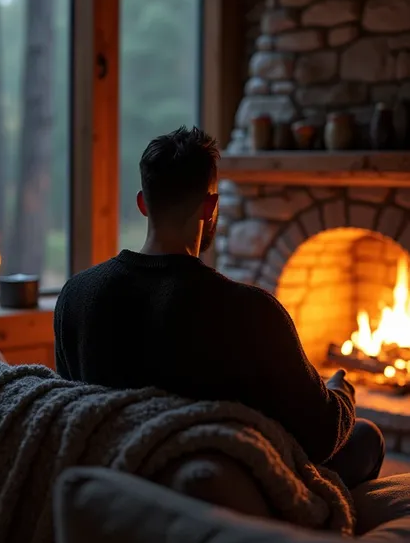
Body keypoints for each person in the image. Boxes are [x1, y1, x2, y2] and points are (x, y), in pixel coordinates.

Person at [54, 126, 384, 489]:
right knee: (366, 436)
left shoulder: (75, 295)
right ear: (210, 207)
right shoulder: (251, 311)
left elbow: (78, 411)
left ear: (143, 203)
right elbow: (320, 438)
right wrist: (341, 393)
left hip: (117, 486)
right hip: (218, 491)